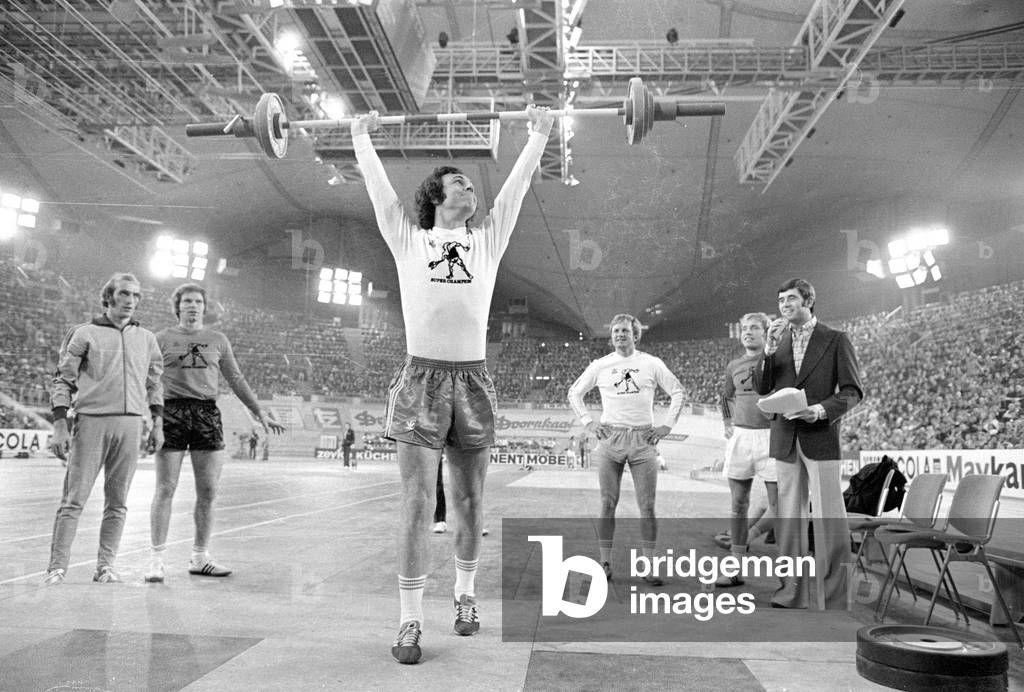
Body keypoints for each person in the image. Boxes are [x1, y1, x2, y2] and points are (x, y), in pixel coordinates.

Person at [352, 104, 553, 664]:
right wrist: (360, 139)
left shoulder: (487, 240)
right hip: (421, 381)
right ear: (438, 198)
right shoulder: (408, 238)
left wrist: (538, 134)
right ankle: (410, 621)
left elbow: (513, 192)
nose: (472, 188)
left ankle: (465, 597)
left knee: (468, 500)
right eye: (460, 183)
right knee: (417, 503)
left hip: (473, 382)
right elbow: (380, 195)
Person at [145, 283, 284, 583]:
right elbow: (150, 378)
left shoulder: (217, 340)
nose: (193, 306)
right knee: (165, 488)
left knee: (207, 491)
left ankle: (200, 557)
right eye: (187, 301)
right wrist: (151, 416)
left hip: (206, 413)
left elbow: (235, 378)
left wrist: (259, 411)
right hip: (171, 412)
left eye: (197, 301)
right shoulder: (162, 338)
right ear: (178, 306)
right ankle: (156, 560)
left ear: (204, 307)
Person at [44, 273, 164, 585]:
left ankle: (106, 566)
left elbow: (154, 385)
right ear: (108, 296)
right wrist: (60, 425)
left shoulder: (148, 339)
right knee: (74, 499)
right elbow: (63, 380)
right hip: (92, 421)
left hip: (131, 424)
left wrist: (158, 424)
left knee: (118, 501)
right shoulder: (84, 333)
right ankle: (57, 568)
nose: (131, 301)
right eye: (124, 294)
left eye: (136, 296)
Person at [753, 278, 864, 609]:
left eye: (791, 299)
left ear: (808, 301)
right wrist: (768, 353)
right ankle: (792, 592)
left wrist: (819, 410)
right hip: (786, 439)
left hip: (821, 436)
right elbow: (762, 388)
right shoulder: (778, 342)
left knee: (830, 515)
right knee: (789, 518)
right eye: (780, 301)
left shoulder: (835, 339)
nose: (784, 305)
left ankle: (835, 594)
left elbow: (852, 391)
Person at [567, 314, 684, 586]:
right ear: (611, 336)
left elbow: (677, 391)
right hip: (610, 439)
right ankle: (604, 562)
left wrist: (666, 426)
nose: (620, 335)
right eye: (616, 331)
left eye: (625, 331)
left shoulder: (651, 363)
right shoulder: (601, 365)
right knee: (607, 504)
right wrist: (588, 422)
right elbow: (574, 393)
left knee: (648, 506)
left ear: (635, 335)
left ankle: (648, 565)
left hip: (643, 440)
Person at [716, 312, 779, 587]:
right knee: (738, 504)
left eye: (755, 328)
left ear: (765, 333)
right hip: (741, 437)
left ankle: (752, 537)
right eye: (745, 328)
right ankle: (734, 569)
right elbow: (726, 397)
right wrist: (727, 422)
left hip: (772, 437)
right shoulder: (734, 365)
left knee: (781, 506)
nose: (749, 332)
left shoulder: (778, 362)